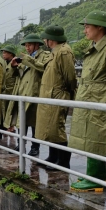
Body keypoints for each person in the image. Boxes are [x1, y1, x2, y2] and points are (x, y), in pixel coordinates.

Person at [69, 11, 106, 191]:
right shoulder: (95, 47)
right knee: (91, 138)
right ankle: (97, 176)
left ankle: (97, 179)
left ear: (100, 27)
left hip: (100, 101)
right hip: (90, 100)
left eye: (88, 26)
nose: (85, 30)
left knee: (97, 138)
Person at [36, 25, 77, 171]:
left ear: (50, 39)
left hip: (58, 94)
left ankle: (63, 162)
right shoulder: (55, 51)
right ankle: (53, 157)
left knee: (57, 128)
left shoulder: (64, 52)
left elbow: (70, 78)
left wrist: (66, 93)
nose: (44, 41)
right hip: (50, 95)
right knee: (49, 129)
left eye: (45, 39)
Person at [4, 34, 50, 157]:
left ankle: (35, 147)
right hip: (22, 92)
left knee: (35, 122)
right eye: (25, 45)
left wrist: (27, 60)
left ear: (36, 44)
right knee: (21, 122)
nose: (27, 47)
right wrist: (13, 67)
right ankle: (21, 144)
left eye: (29, 45)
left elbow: (44, 68)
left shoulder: (45, 55)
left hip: (35, 93)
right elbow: (12, 76)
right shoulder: (25, 57)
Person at [0, 45, 18, 132]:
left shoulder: (15, 62)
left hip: (12, 89)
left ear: (10, 54)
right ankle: (8, 125)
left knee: (12, 109)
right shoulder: (5, 62)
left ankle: (11, 126)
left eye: (5, 52)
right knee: (6, 109)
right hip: (6, 90)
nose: (3, 54)